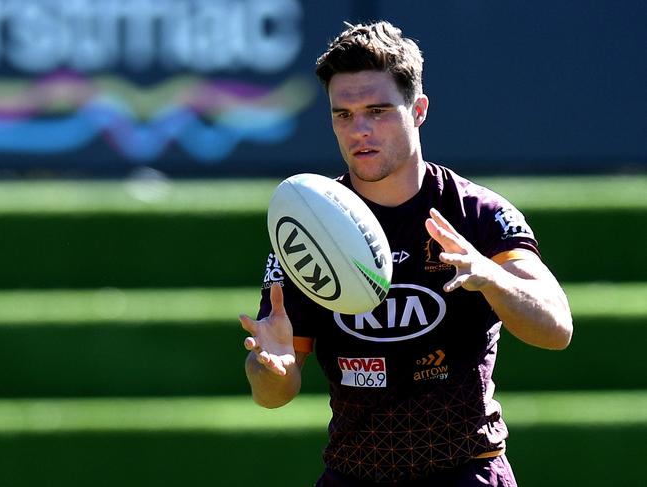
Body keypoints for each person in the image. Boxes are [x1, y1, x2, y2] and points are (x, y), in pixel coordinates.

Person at [239, 20, 573, 487]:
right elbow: (274, 393)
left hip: (467, 470)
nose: (359, 130)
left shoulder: (475, 213)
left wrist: (491, 277)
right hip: (354, 474)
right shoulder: (309, 227)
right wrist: (268, 366)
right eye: (343, 114)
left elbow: (557, 329)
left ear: (418, 110)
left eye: (377, 111)